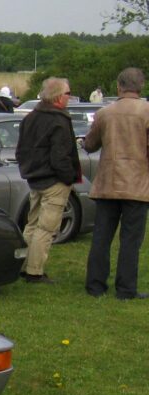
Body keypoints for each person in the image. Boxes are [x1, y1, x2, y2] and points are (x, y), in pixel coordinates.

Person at [83, 67, 149, 300]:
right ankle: (126, 289)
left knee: (101, 236)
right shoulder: (147, 112)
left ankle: (95, 285)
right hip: (137, 185)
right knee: (131, 240)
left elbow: (90, 145)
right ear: (140, 86)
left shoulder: (105, 113)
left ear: (119, 86)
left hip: (108, 183)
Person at [14, 77, 81, 284]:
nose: (70, 98)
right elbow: (60, 156)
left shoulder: (31, 117)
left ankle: (22, 265)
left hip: (34, 178)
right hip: (53, 180)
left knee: (32, 225)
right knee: (46, 228)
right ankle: (35, 271)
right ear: (59, 97)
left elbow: (21, 151)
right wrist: (68, 177)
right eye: (68, 94)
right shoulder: (58, 120)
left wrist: (29, 170)